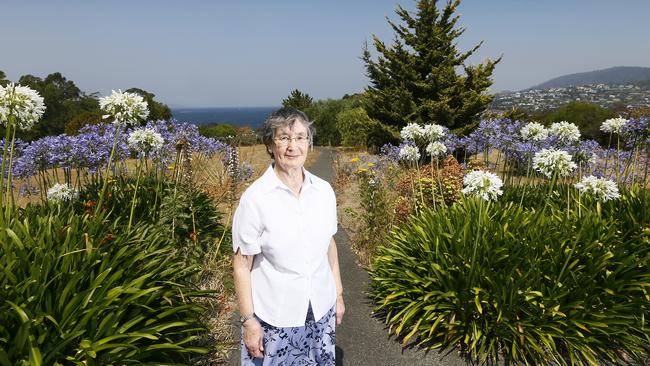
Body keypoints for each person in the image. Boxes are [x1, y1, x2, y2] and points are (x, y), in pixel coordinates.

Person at [232, 107, 345, 365]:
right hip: (277, 315)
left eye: (300, 137)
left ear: (309, 142)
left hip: (321, 307)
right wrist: (248, 321)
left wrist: (338, 294)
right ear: (270, 145)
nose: (292, 146)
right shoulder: (255, 198)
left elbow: (329, 244)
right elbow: (241, 265)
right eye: (283, 138)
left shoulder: (324, 191)